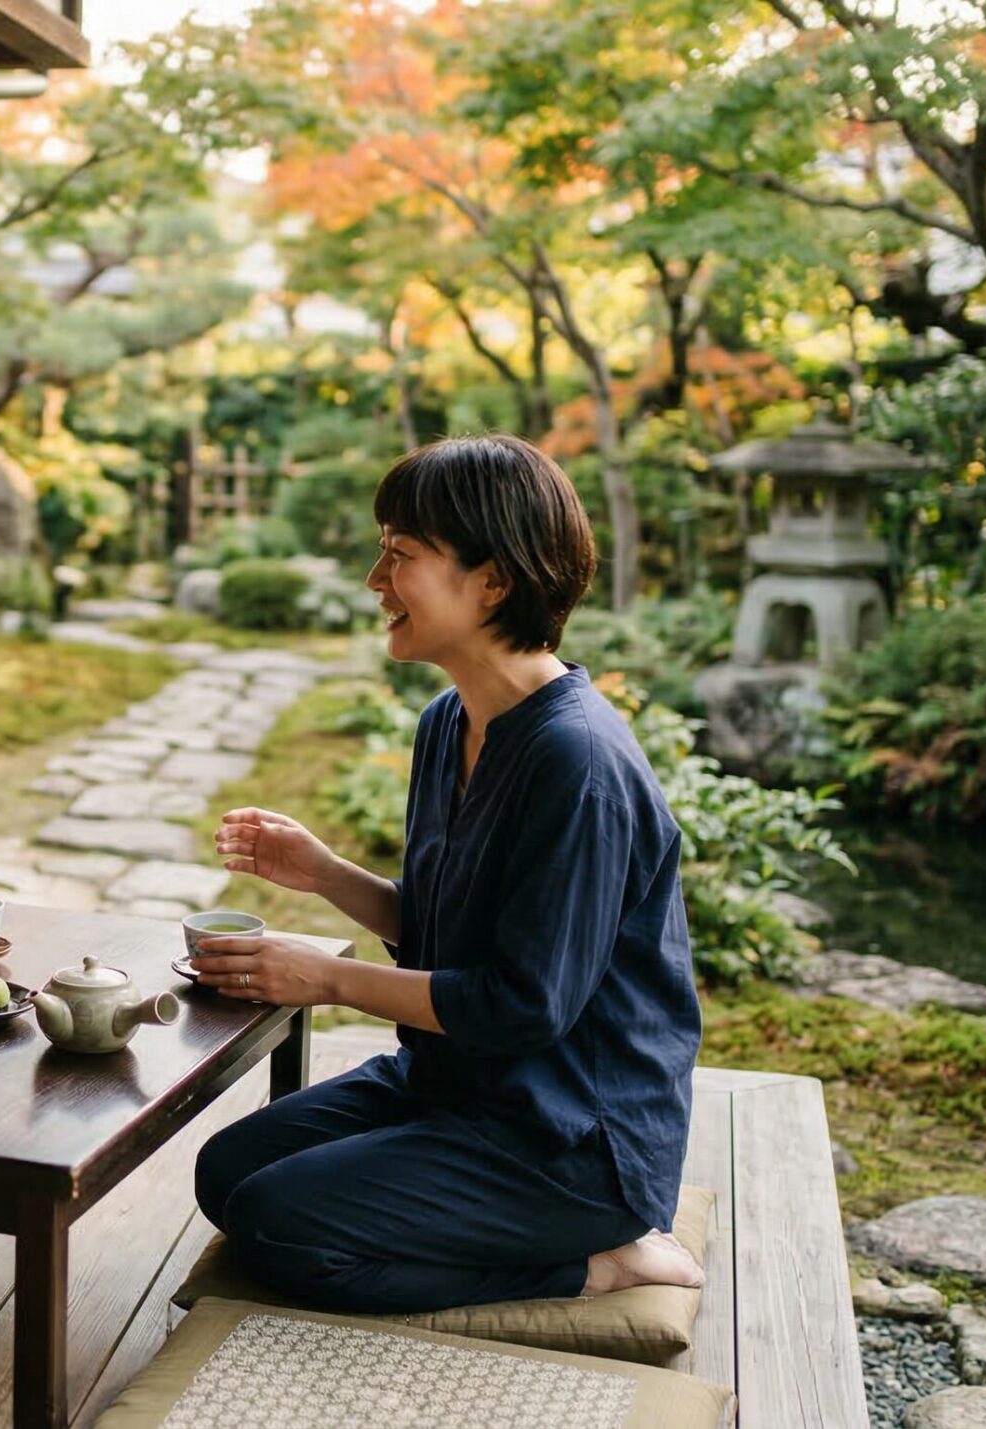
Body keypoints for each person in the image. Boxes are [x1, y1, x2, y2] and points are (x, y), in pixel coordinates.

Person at [189, 434, 706, 1314]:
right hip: (457, 1084)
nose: (375, 578)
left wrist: (327, 978)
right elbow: (441, 931)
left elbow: (523, 1002)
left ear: (493, 581)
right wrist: (324, 874)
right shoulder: (448, 720)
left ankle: (596, 1262)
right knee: (226, 1172)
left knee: (278, 1224)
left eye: (402, 554)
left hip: (570, 1136)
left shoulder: (575, 761)